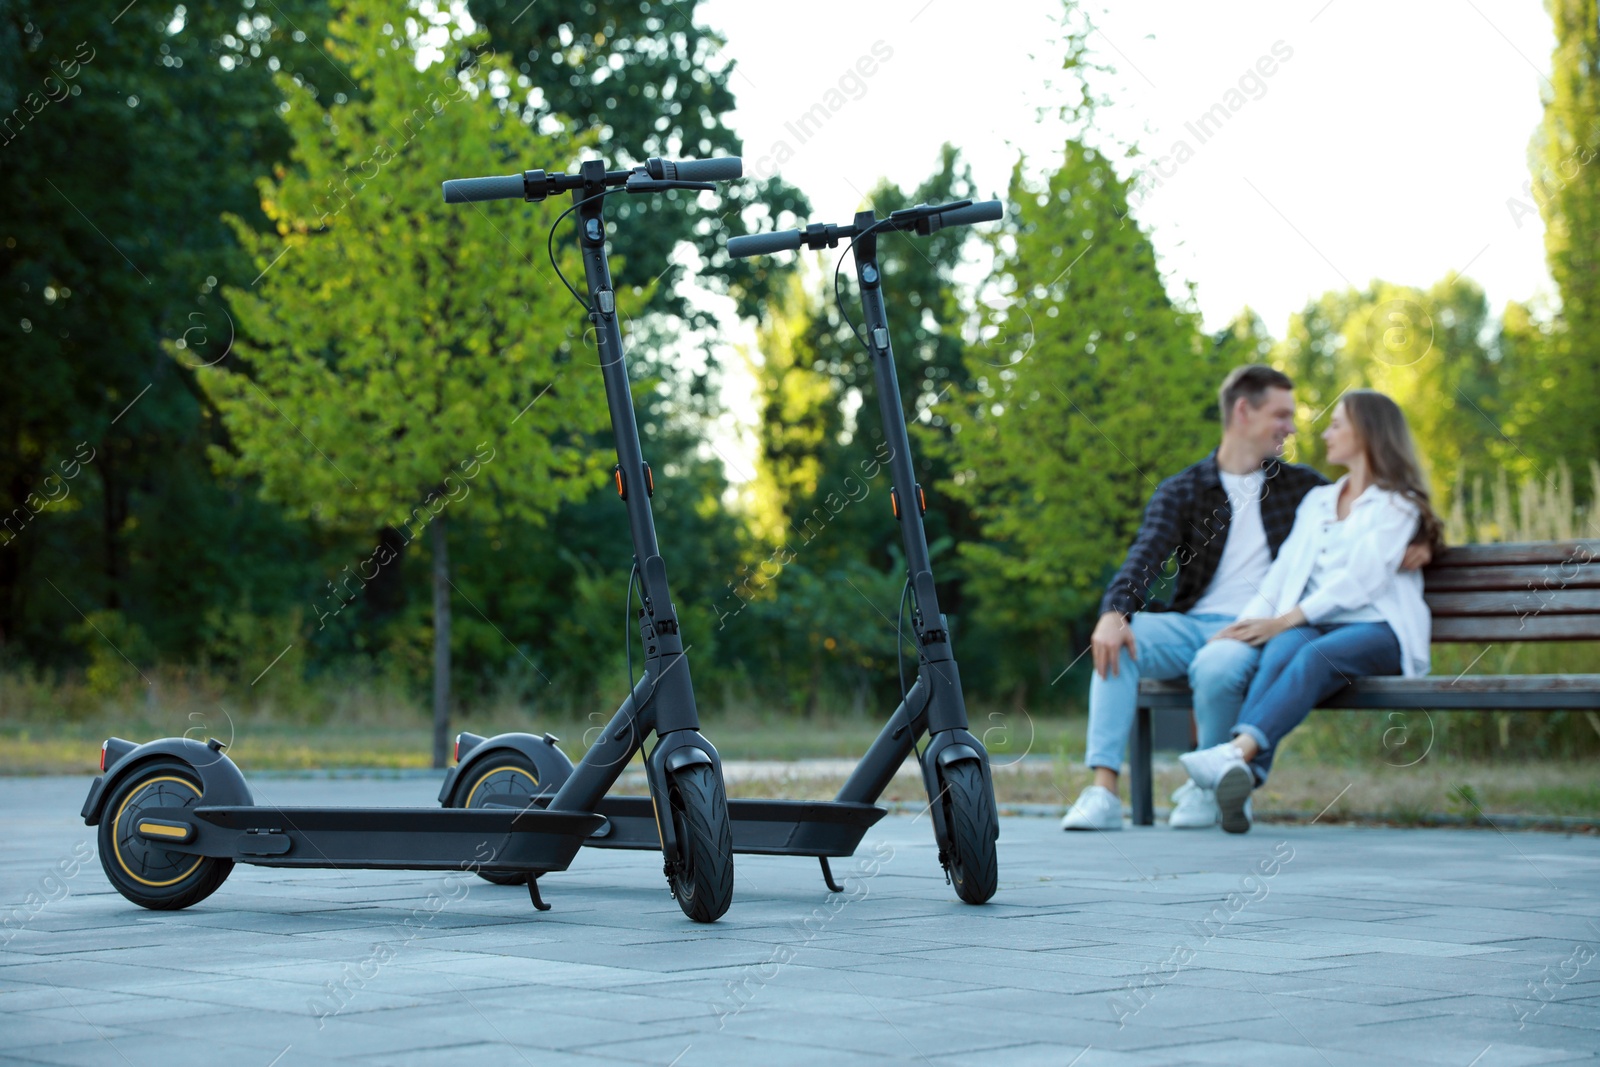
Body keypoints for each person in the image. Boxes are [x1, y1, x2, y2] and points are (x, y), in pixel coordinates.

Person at [1062, 367, 1431, 832]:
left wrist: (1425, 539)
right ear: (1243, 411)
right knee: (1118, 642)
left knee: (1217, 666)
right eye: (1281, 415)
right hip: (1199, 622)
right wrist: (1114, 612)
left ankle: (1209, 785)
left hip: (1258, 629)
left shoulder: (1301, 488)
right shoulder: (1185, 490)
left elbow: (1380, 513)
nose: (1292, 427)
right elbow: (1146, 555)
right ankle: (1102, 791)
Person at [1179, 390, 1442, 834]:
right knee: (1282, 648)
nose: (1326, 432)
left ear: (1367, 433)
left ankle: (1233, 754)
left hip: (1381, 629)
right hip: (1318, 625)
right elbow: (1283, 571)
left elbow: (1361, 580)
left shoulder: (1397, 503)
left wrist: (1286, 619)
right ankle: (1243, 771)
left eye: (1337, 424)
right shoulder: (1319, 501)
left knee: (1308, 654)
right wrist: (1244, 624)